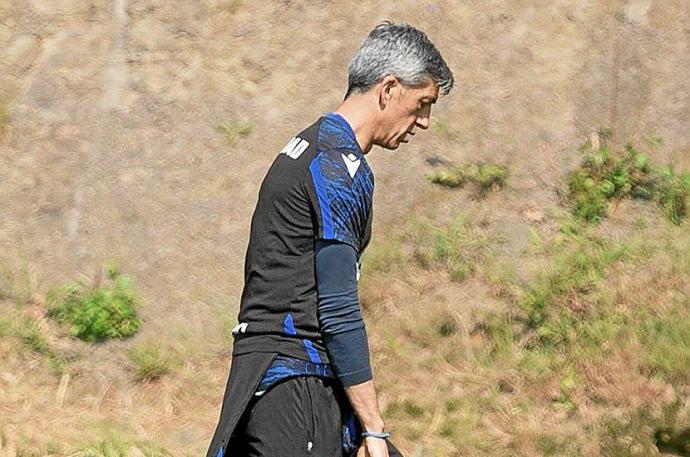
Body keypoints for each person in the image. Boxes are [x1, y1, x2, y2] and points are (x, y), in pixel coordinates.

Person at [206, 21, 453, 457]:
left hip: (266, 378)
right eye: (422, 104)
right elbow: (337, 308)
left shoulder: (306, 147)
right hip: (297, 381)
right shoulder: (338, 168)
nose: (425, 122)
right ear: (389, 88)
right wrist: (373, 427)